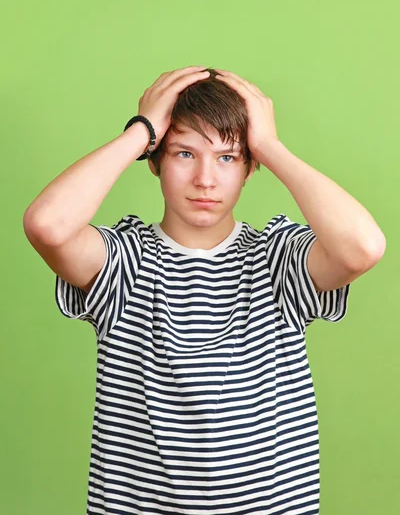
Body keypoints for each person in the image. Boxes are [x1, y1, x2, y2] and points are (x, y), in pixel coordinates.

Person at [23, 65, 385, 514]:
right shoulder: (124, 262)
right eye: (184, 154)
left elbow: (363, 248)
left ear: (250, 166)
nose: (206, 180)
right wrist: (141, 131)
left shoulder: (277, 259)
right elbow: (48, 226)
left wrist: (269, 145)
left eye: (228, 157)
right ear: (155, 160)